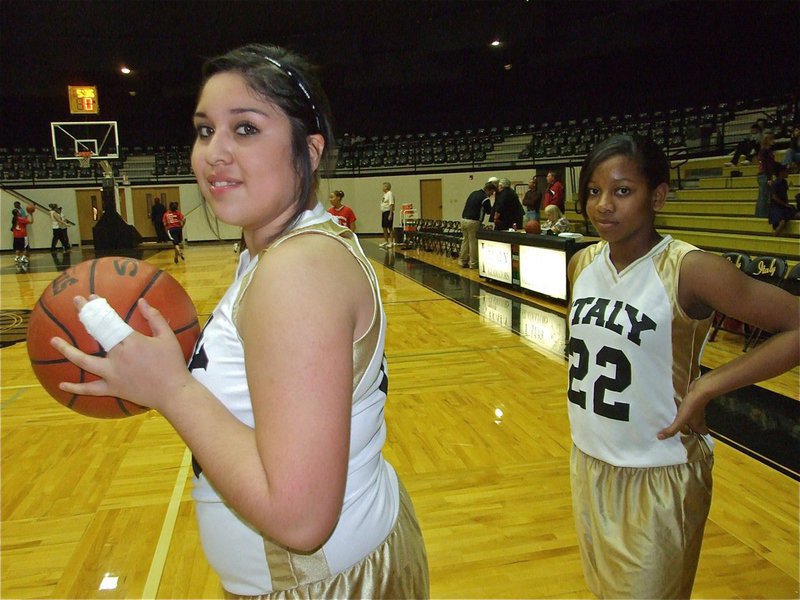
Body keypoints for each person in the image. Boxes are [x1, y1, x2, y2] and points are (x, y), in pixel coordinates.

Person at [50, 43, 429, 598]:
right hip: (352, 557)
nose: (214, 153)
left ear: (311, 149)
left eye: (246, 129)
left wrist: (171, 389)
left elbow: (300, 521)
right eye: (205, 130)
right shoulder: (283, 250)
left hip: (321, 582)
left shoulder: (295, 270)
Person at [566, 134, 799, 599]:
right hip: (589, 465)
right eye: (594, 191)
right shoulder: (581, 263)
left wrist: (709, 384)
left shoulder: (688, 269)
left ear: (658, 195)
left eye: (622, 191)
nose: (603, 206)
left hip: (661, 473)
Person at [458, 180, 496, 268]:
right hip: (473, 222)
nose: (492, 194)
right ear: (488, 190)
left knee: (465, 241)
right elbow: (489, 211)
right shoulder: (485, 198)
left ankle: (462, 261)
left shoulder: (473, 193)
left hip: (463, 219)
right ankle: (473, 263)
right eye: (492, 192)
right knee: (473, 243)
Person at [768, 163, 798, 235]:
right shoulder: (775, 183)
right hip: (777, 207)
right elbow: (774, 197)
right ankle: (781, 224)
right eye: (786, 171)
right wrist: (784, 204)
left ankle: (781, 223)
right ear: (781, 172)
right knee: (787, 212)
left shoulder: (784, 182)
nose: (787, 173)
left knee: (791, 209)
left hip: (781, 205)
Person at [755, 133, 776, 217]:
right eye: (770, 139)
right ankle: (761, 215)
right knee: (763, 197)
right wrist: (769, 178)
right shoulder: (765, 150)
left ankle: (762, 214)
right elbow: (766, 164)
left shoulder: (766, 150)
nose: (773, 141)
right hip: (765, 175)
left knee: (764, 196)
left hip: (765, 174)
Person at [379, 181, 395, 248]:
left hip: (388, 212)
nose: (382, 188)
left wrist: (390, 214)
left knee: (389, 228)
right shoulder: (385, 194)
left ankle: (391, 242)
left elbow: (391, 204)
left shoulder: (390, 194)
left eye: (383, 186)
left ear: (386, 187)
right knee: (384, 227)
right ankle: (386, 241)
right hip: (384, 212)